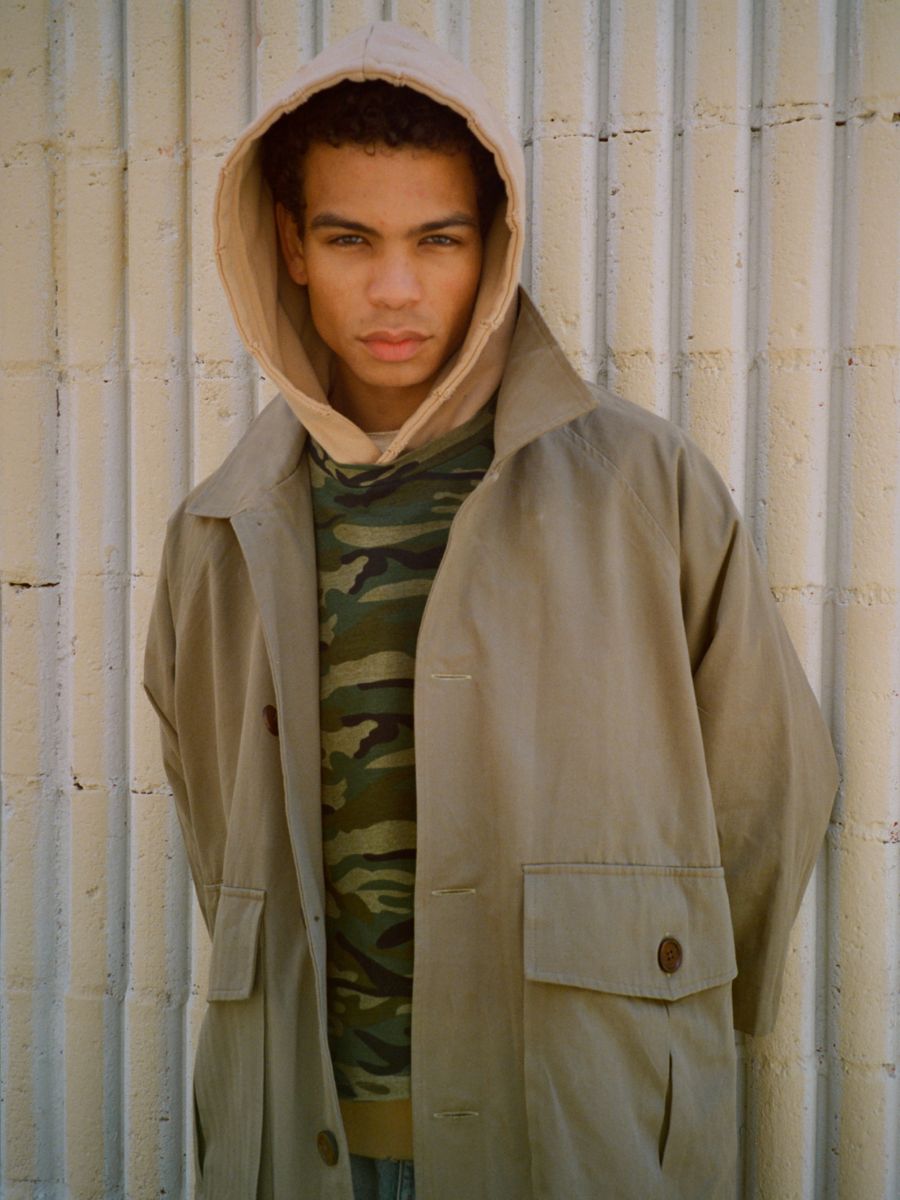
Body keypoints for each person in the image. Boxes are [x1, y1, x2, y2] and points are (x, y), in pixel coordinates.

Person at [143, 22, 838, 1200]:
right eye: (350, 239)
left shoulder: (640, 488)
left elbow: (769, 778)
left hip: (576, 1130)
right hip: (297, 1138)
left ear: (494, 245)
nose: (396, 289)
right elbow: (220, 835)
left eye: (439, 239)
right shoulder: (216, 534)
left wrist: (664, 1011)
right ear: (291, 247)